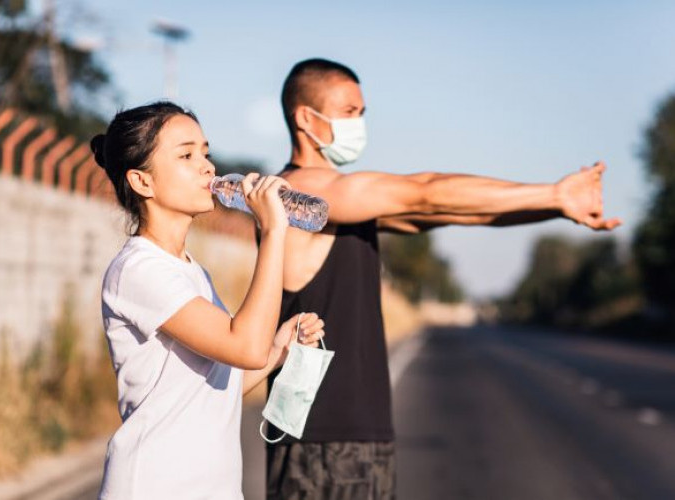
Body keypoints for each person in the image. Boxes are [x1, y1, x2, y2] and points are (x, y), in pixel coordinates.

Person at [264, 58, 622, 499]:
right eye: (350, 112)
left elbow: (449, 211)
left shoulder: (342, 204)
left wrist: (555, 207)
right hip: (321, 434)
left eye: (363, 113)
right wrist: (551, 192)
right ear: (306, 118)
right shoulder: (304, 195)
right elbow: (426, 190)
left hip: (355, 433)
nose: (360, 124)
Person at [91, 101, 325, 500]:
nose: (207, 168)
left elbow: (219, 386)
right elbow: (243, 347)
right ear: (142, 182)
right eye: (186, 155)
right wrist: (272, 233)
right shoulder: (139, 270)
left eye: (206, 153)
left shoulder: (190, 270)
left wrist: (277, 351)